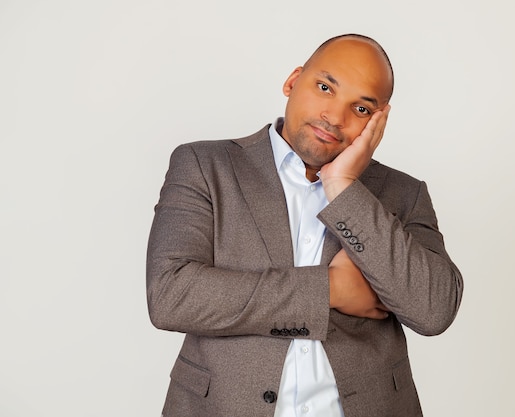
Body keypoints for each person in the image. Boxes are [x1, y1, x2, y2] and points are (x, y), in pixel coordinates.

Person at [147, 33, 463, 417]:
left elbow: (434, 310)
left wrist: (343, 189)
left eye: (361, 110)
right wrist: (329, 290)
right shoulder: (204, 165)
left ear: (379, 121)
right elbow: (172, 296)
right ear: (293, 81)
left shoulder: (403, 194)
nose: (335, 116)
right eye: (325, 87)